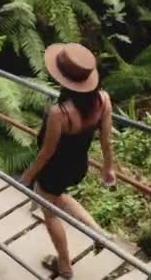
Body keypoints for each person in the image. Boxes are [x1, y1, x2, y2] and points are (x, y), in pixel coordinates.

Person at [20, 43, 117, 279]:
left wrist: (28, 177)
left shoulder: (59, 113)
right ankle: (98, 233)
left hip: (55, 170)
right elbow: (106, 140)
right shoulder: (103, 100)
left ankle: (64, 265)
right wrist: (108, 167)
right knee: (60, 197)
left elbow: (46, 152)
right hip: (78, 167)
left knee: (49, 211)